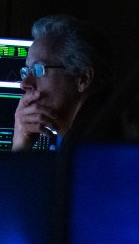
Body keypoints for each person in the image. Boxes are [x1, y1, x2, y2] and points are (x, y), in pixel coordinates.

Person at [12, 14, 115, 151]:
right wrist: (21, 143)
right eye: (27, 71)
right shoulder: (80, 137)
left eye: (38, 70)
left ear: (83, 78)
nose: (24, 83)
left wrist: (19, 148)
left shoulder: (93, 147)